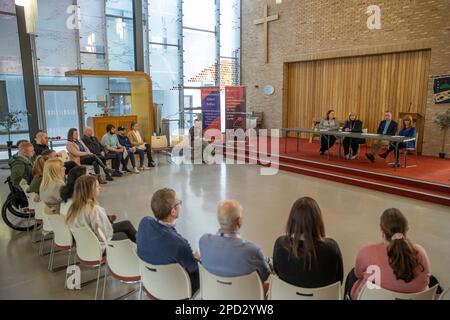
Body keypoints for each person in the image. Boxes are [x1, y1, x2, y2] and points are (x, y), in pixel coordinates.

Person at [346, 208, 432, 300]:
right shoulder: (420, 252)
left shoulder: (367, 251)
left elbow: (358, 274)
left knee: (352, 274)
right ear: (406, 229)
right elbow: (426, 279)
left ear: (382, 230)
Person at [136, 188, 200, 293]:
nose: (180, 204)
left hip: (150, 284)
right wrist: (196, 259)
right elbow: (193, 269)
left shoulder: (144, 223)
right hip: (177, 290)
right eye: (179, 203)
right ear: (173, 211)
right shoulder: (179, 244)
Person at [273, 197, 343, 288]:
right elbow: (339, 281)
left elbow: (277, 273)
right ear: (318, 221)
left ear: (292, 220)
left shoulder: (281, 245)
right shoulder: (331, 248)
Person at [199, 200, 271, 282]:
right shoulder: (252, 250)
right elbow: (266, 275)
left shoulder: (204, 241)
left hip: (213, 292)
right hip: (245, 294)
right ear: (239, 221)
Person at [65, 175, 136, 244]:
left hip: (83, 243)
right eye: (96, 186)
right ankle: (142, 247)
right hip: (98, 245)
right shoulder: (94, 209)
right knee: (123, 235)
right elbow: (105, 234)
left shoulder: (73, 207)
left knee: (126, 224)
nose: (100, 188)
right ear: (89, 190)